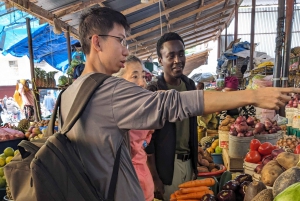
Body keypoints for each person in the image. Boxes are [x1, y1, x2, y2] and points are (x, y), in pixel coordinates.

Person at [58, 7, 299, 201]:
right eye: (120, 41)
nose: (125, 49)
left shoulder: (69, 94)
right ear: (97, 42)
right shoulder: (109, 91)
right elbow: (173, 104)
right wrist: (252, 96)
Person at [145, 32, 200, 200]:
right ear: (160, 60)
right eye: (171, 55)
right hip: (167, 168)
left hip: (189, 163)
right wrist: (154, 178)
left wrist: (195, 166)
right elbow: (148, 141)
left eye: (181, 54)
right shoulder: (153, 91)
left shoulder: (190, 85)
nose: (178, 60)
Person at [113, 55, 154, 201]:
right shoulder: (112, 113)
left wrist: (142, 143)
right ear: (119, 80)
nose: (142, 83)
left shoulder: (144, 108)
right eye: (134, 76)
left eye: (143, 76)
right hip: (124, 181)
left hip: (143, 177)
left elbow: (149, 133)